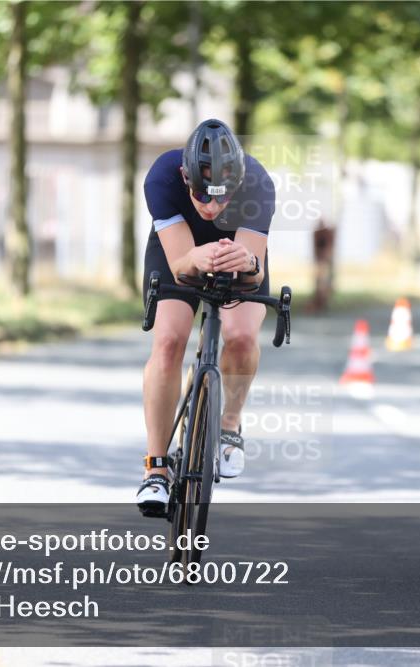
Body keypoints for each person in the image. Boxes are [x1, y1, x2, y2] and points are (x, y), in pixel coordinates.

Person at [135, 119, 275, 516]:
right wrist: (194, 257)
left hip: (238, 252)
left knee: (243, 335)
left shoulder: (258, 182)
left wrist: (247, 263)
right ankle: (156, 467)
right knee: (168, 342)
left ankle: (229, 425)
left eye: (222, 196)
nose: (212, 207)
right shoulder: (162, 177)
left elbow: (256, 272)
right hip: (177, 250)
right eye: (201, 194)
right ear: (186, 176)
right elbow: (180, 265)